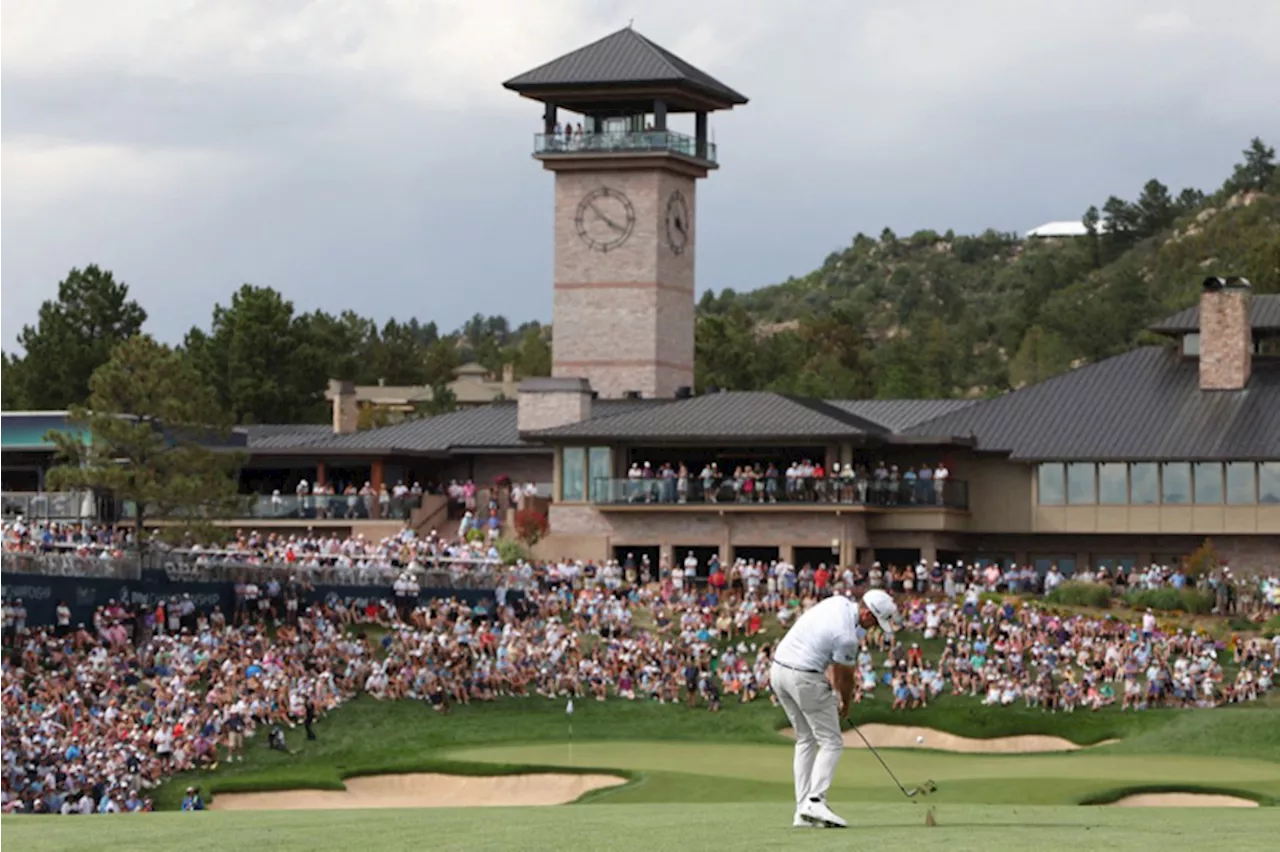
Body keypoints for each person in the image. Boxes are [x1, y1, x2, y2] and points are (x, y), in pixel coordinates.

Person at [770, 588, 900, 828]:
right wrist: (845, 704)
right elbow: (845, 676)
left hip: (778, 671)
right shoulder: (847, 637)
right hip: (804, 676)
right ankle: (815, 800)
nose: (873, 628)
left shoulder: (837, 602)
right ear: (867, 614)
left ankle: (802, 812)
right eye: (875, 623)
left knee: (805, 740)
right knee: (832, 742)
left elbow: (825, 651)